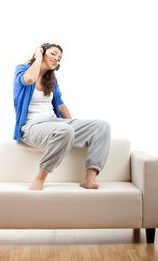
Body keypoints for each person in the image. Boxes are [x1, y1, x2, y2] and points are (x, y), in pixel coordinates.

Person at [13, 43, 110, 190]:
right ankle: (39, 179)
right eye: (53, 54)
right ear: (41, 52)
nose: (56, 59)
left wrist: (72, 125)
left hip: (54, 122)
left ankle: (89, 179)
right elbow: (29, 80)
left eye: (59, 58)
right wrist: (38, 56)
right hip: (32, 126)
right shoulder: (22, 70)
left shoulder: (51, 79)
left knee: (101, 126)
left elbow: (60, 106)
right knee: (65, 130)